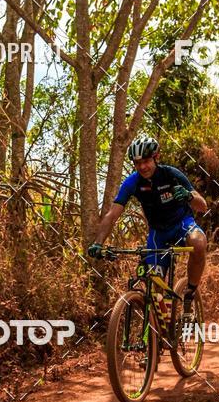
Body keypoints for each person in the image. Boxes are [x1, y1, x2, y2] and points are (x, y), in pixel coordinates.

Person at [87, 134, 207, 319]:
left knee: (199, 243)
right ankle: (164, 327)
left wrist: (189, 196)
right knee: (156, 286)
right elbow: (112, 215)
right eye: (137, 163)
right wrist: (98, 242)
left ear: (156, 157)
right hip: (158, 233)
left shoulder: (172, 175)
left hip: (182, 224)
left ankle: (190, 292)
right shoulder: (132, 182)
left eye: (146, 161)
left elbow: (202, 206)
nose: (142, 166)